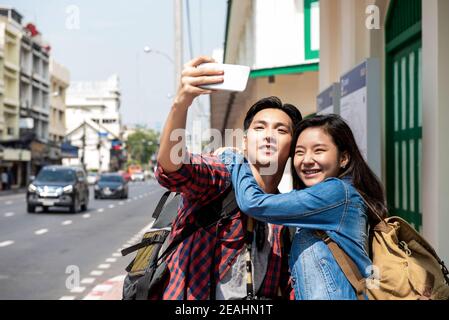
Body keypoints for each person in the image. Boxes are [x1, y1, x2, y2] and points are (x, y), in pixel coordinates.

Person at [154, 56, 303, 300]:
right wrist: (182, 103)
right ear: (244, 141)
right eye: (259, 127)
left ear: (292, 145)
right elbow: (172, 170)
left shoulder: (283, 216)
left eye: (281, 130)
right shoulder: (221, 177)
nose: (269, 136)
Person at [219, 114, 387, 300]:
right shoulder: (323, 200)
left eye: (318, 150)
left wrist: (235, 159)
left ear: (344, 158)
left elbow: (253, 203)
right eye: (299, 152)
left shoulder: (337, 193)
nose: (307, 160)